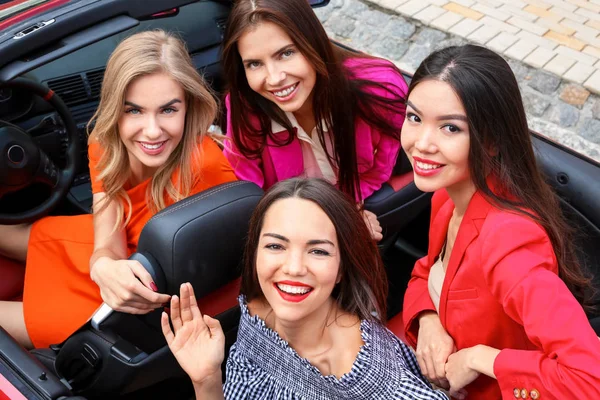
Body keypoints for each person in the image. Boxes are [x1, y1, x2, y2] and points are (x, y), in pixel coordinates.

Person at [0, 30, 237, 349]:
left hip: (158, 296)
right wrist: (103, 265)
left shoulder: (211, 171)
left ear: (188, 107)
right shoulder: (104, 141)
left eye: (168, 109)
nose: (152, 132)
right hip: (118, 246)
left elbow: (217, 282)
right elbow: (107, 227)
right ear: (114, 107)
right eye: (133, 110)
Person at [401, 44, 600, 399]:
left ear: (491, 141)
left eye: (449, 128)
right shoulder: (446, 195)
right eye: (414, 118)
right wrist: (428, 319)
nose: (421, 143)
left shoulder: (509, 240)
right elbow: (425, 271)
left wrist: (482, 359)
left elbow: (589, 378)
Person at [161, 178, 448, 399]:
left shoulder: (384, 377)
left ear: (341, 269)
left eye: (318, 252)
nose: (294, 267)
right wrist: (206, 380)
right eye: (275, 246)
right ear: (255, 253)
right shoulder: (253, 323)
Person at [220, 0, 408, 240]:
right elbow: (247, 190)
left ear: (313, 43)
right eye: (255, 64)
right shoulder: (245, 105)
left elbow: (381, 165)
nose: (275, 78)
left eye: (286, 53)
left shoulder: (379, 88)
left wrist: (349, 207)